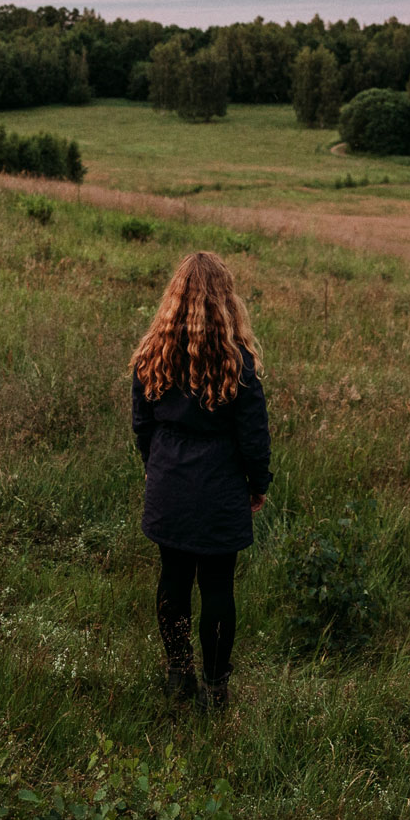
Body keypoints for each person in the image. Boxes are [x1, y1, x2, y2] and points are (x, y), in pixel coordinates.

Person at [130, 250, 272, 712]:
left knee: (172, 579)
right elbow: (253, 436)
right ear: (225, 300)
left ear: (176, 297)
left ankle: (178, 673)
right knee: (217, 587)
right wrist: (258, 483)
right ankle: (214, 688)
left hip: (169, 479)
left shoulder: (153, 350)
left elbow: (141, 423)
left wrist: (159, 466)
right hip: (219, 485)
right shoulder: (239, 362)